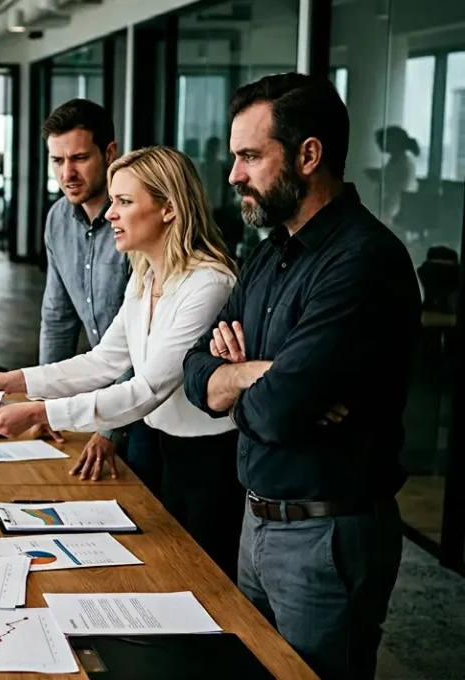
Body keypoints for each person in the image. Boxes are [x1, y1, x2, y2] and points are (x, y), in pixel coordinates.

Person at [182, 73, 419, 680]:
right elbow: (196, 374)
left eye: (251, 156)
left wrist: (243, 380)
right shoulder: (270, 251)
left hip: (328, 536)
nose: (234, 174)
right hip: (257, 519)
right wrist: (256, 374)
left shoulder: (363, 261)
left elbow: (279, 410)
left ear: (308, 155)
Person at [0, 146, 243, 576]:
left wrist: (39, 411)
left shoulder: (208, 283)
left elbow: (147, 389)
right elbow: (104, 361)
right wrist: (11, 380)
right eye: (113, 201)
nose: (110, 214)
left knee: (202, 582)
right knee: (159, 573)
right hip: (158, 447)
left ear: (169, 208)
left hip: (209, 462)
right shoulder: (147, 273)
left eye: (125, 202)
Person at [36, 99, 143, 487]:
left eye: (79, 158)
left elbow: (144, 341)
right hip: (104, 395)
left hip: (157, 403)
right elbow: (57, 319)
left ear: (110, 153)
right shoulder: (57, 218)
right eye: (57, 161)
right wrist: (46, 408)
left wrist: (111, 429)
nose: (68, 173)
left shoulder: (138, 219)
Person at [375, 125, 419, 226]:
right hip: (390, 208)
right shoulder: (394, 162)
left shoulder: (405, 163)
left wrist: (386, 214)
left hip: (396, 212)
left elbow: (400, 193)